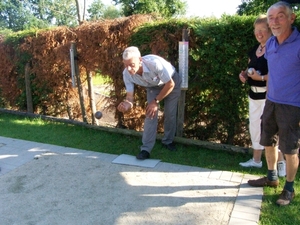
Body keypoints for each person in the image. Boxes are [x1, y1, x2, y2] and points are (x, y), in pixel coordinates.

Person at [248, 1, 300, 206]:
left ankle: (289, 188)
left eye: (280, 16)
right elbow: (274, 74)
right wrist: (269, 95)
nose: (275, 21)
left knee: (290, 148)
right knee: (268, 141)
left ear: (291, 18)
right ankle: (271, 177)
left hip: (293, 105)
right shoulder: (270, 44)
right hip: (271, 101)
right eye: (271, 17)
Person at [238, 15, 286, 177]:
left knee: (271, 129)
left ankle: (280, 164)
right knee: (255, 127)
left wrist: (262, 78)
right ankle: (256, 160)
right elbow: (249, 67)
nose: (259, 33)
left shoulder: (275, 48)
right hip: (254, 95)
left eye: (262, 30)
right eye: (256, 30)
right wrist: (244, 75)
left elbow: (280, 73)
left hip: (270, 96)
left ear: (270, 30)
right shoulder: (254, 49)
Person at [117, 46, 181, 160]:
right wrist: (127, 105)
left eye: (132, 65)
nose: (129, 69)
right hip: (153, 86)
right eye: (126, 65)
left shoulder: (154, 64)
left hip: (171, 82)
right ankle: (145, 149)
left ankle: (167, 141)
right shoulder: (126, 74)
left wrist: (155, 101)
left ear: (140, 60)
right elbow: (130, 97)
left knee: (170, 113)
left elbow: (170, 84)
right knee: (150, 114)